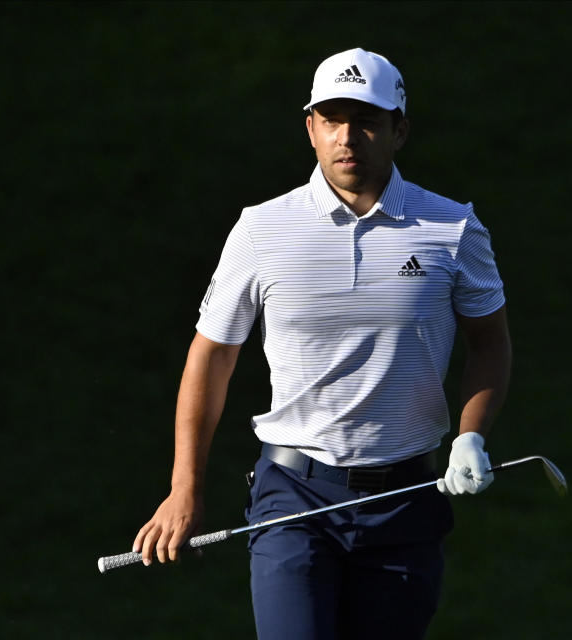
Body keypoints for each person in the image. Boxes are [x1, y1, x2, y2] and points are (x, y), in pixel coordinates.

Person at [132, 47, 511, 640]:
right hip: (294, 495)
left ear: (399, 130)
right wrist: (186, 488)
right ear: (310, 128)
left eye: (366, 121)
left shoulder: (453, 228)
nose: (347, 137)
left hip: (407, 498)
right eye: (331, 120)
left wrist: (471, 435)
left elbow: (490, 343)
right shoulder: (261, 229)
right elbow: (212, 356)